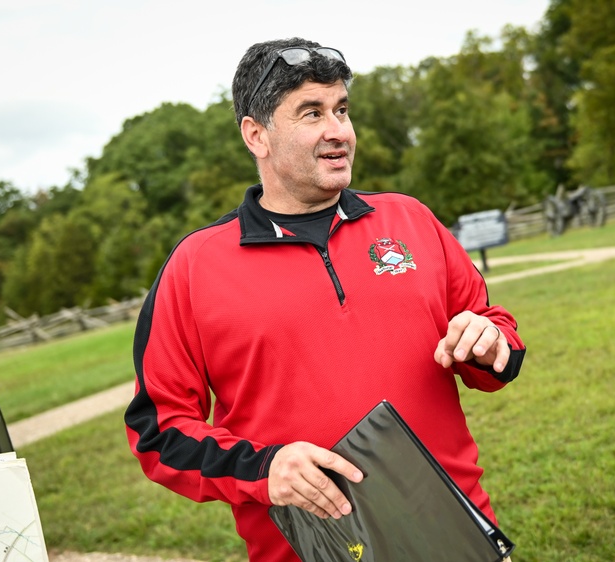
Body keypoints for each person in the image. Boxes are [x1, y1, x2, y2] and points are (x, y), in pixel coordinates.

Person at [124, 37, 526, 561]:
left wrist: (490, 340)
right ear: (256, 135)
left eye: (341, 109)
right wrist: (266, 468)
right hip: (313, 551)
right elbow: (158, 433)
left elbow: (498, 341)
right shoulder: (195, 267)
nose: (339, 131)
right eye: (311, 113)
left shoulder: (411, 220)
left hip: (455, 533)